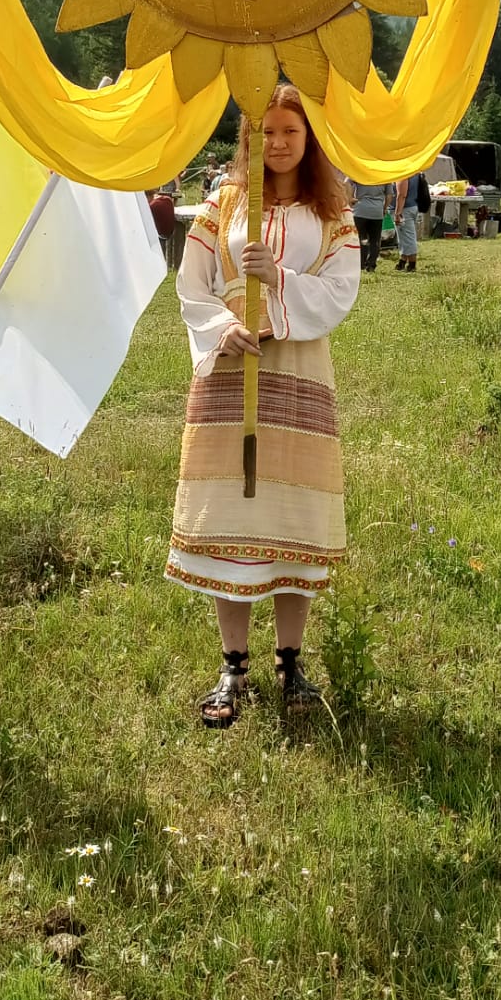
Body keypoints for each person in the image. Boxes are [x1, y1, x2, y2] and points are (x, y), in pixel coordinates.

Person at [168, 84, 360, 726]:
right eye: (265, 133)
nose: (277, 143)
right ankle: (233, 664)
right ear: (248, 139)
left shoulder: (332, 215)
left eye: (290, 132)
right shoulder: (222, 207)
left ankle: (291, 660)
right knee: (232, 507)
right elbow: (190, 284)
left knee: (290, 513)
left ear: (310, 141)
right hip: (230, 368)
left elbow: (340, 291)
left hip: (297, 369)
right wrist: (225, 326)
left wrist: (278, 286)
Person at [347, 176, 394, 271]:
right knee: (375, 240)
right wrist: (384, 208)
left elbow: (347, 183)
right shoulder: (384, 173)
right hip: (376, 212)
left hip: (360, 210)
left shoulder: (360, 171)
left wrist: (350, 198)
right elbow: (389, 195)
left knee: (361, 238)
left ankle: (361, 263)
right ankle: (371, 264)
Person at [392, 173, 420, 273]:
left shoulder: (402, 174)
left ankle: (412, 264)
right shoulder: (415, 172)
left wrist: (397, 213)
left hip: (404, 209)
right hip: (412, 205)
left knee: (408, 236)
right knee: (403, 236)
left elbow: (401, 195)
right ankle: (402, 260)